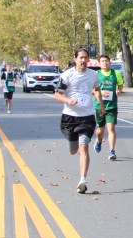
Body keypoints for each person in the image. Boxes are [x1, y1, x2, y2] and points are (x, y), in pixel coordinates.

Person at [53, 49, 101, 194]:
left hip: (87, 117)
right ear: (75, 59)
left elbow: (96, 89)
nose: (83, 60)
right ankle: (73, 146)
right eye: (81, 58)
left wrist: (101, 105)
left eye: (86, 58)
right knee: (74, 150)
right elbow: (57, 95)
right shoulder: (67, 75)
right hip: (69, 117)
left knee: (84, 147)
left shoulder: (93, 74)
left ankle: (82, 180)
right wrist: (68, 100)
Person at [93, 54, 124, 160]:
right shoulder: (96, 74)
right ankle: (99, 140)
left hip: (112, 106)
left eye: (107, 61)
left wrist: (119, 91)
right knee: (100, 130)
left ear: (110, 63)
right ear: (99, 64)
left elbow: (120, 84)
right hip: (99, 106)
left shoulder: (116, 73)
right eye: (102, 61)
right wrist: (101, 92)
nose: (105, 63)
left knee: (111, 128)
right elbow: (92, 89)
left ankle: (112, 151)